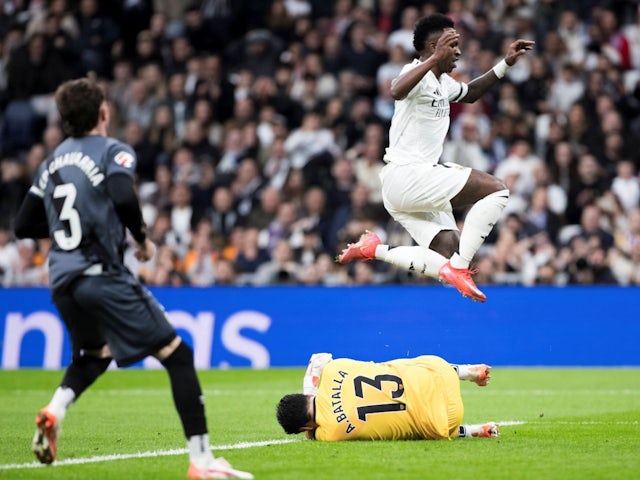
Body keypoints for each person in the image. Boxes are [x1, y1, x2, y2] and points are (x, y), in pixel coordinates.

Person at [13, 78, 252, 479]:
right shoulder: (112, 151)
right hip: (101, 274)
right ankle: (203, 462)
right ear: (103, 113)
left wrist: (64, 231)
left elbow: (23, 224)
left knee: (94, 356)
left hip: (62, 281)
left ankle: (54, 410)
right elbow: (124, 196)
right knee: (178, 356)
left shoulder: (50, 162)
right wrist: (142, 241)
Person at [337, 14, 535, 302]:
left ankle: (374, 249)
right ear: (433, 46)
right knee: (497, 190)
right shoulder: (415, 71)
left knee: (454, 251)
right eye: (452, 45)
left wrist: (505, 63)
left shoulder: (444, 83)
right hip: (406, 175)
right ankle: (458, 268)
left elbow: (470, 94)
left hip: (407, 189)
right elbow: (396, 90)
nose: (458, 52)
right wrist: (432, 60)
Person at [276, 353, 498, 441]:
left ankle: (471, 431)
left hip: (448, 419)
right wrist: (311, 385)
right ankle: (465, 371)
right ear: (305, 395)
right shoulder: (335, 369)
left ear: (305, 428)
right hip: (441, 374)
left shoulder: (330, 433)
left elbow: (313, 436)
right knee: (393, 367)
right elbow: (319, 358)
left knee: (409, 426)